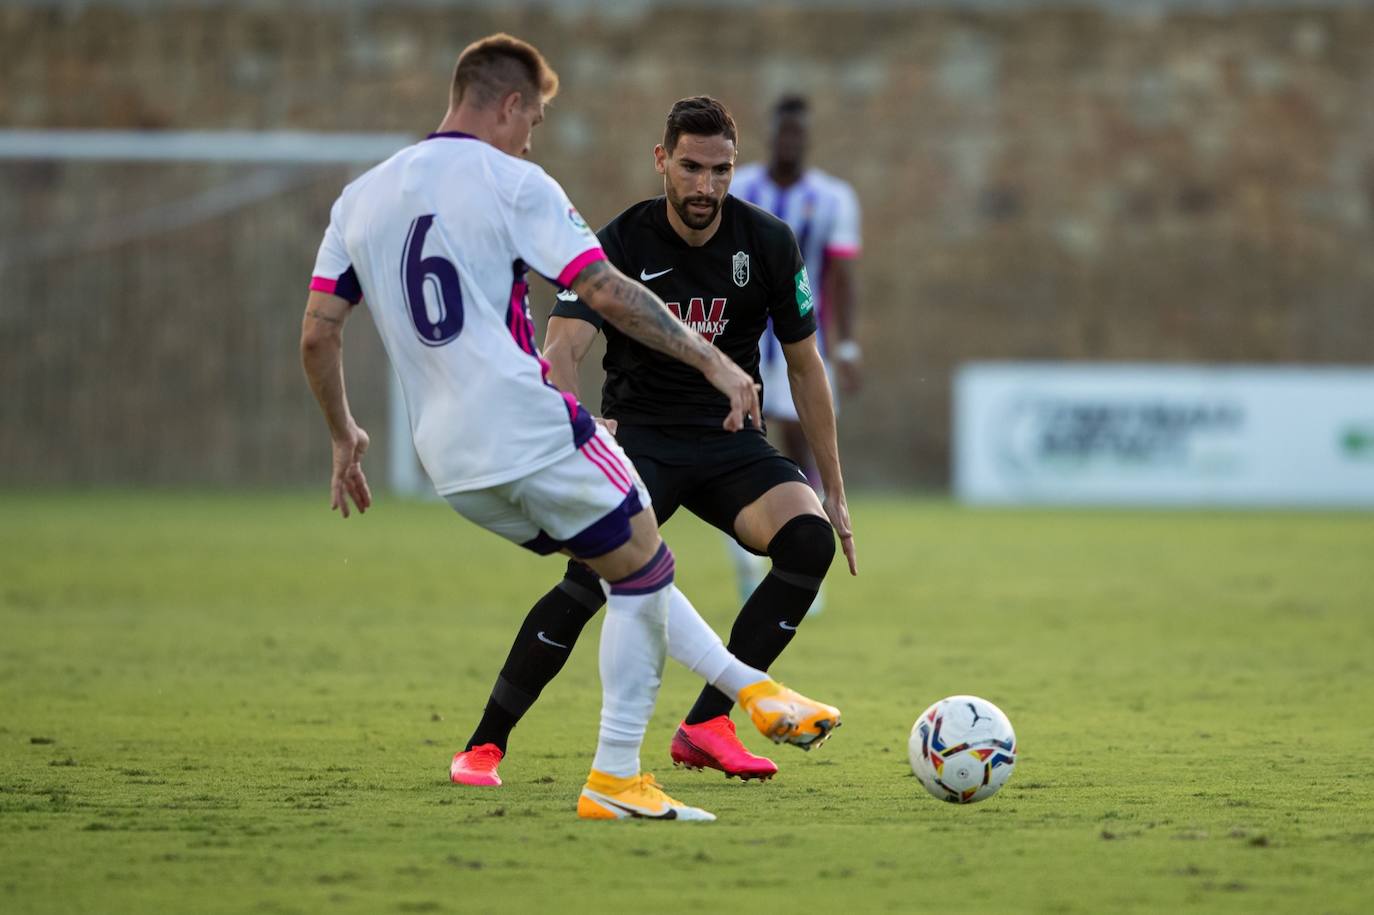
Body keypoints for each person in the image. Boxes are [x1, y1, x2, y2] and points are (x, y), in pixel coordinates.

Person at [299, 35, 839, 822]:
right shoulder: (517, 181)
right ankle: (640, 760)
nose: (533, 135)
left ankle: (734, 701)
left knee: (629, 563)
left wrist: (343, 430)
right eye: (537, 118)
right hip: (531, 421)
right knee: (637, 566)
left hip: (447, 458)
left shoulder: (360, 196)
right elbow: (603, 294)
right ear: (512, 104)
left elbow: (318, 332)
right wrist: (716, 363)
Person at [449, 95, 855, 787]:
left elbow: (806, 364)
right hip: (639, 441)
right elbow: (563, 344)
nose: (706, 187)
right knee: (588, 580)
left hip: (730, 442)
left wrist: (835, 492)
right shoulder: (618, 243)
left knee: (809, 540)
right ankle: (485, 743)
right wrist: (579, 427)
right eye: (691, 168)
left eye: (720, 170)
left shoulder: (769, 241)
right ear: (662, 160)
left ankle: (707, 723)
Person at [727, 96, 863, 609]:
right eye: (783, 133)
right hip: (740, 342)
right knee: (739, 441)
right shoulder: (742, 189)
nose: (790, 142)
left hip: (801, 344)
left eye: (798, 134)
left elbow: (843, 276)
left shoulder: (833, 199)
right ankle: (748, 557)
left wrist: (847, 345)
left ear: (806, 138)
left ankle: (807, 550)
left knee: (799, 443)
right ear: (771, 135)